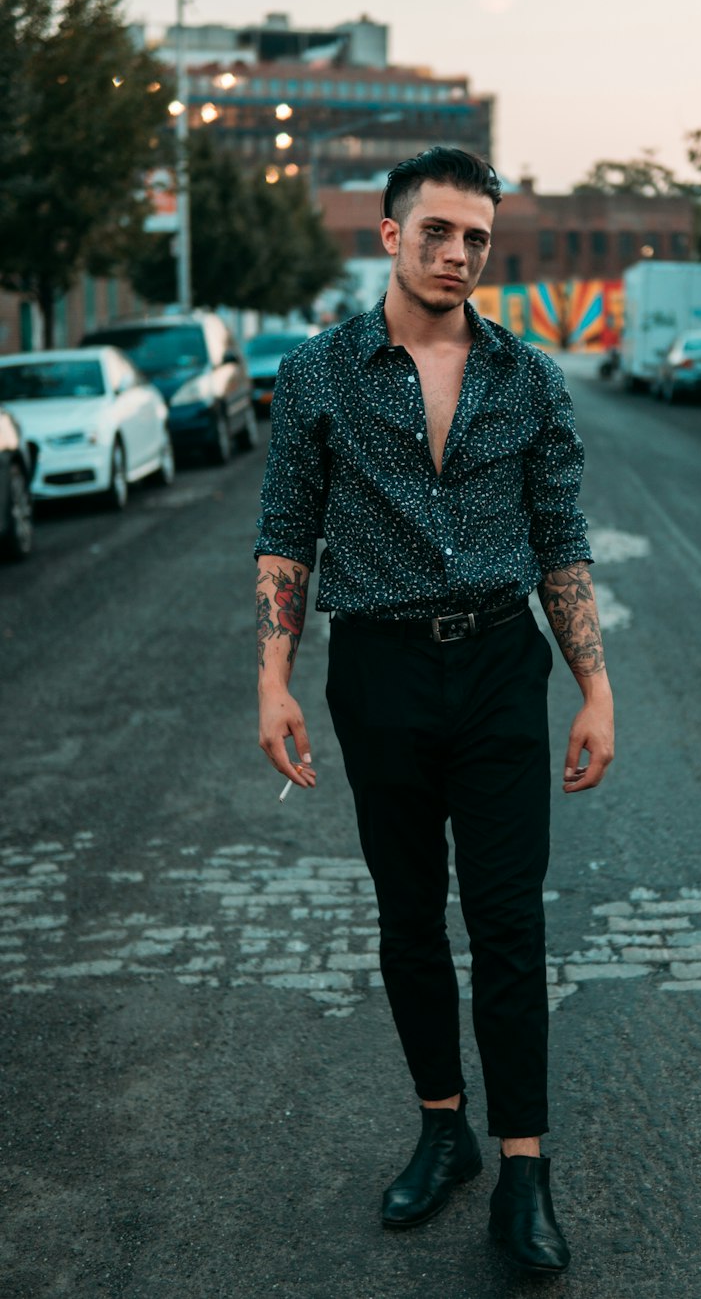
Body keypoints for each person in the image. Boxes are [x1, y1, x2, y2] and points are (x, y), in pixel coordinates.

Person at [254, 146, 614, 1275]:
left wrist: (594, 686)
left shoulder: (528, 376)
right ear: (389, 235)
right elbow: (286, 533)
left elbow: (559, 541)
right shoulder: (319, 374)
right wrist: (273, 677)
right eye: (438, 232)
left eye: (475, 237)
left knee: (508, 925)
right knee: (410, 919)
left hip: (503, 669)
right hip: (381, 676)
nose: (458, 254)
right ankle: (442, 1128)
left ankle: (524, 1169)